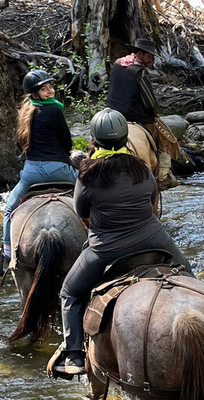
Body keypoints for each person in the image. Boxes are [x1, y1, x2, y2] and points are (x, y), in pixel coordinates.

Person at [48, 108, 190, 378]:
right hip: (153, 237)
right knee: (190, 274)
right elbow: (151, 203)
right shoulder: (142, 168)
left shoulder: (87, 174)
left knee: (69, 293)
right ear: (126, 138)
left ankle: (74, 353)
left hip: (106, 248)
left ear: (94, 140)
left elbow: (82, 214)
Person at [0, 68, 79, 276]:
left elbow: (21, 143)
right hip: (60, 170)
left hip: (31, 172)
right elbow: (66, 140)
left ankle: (7, 254)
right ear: (35, 94)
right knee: (94, 193)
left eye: (50, 87)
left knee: (10, 209)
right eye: (45, 89)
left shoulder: (25, 111)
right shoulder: (54, 110)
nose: (51, 92)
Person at [105, 38, 180, 188]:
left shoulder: (118, 63)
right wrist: (155, 115)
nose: (151, 59)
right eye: (149, 56)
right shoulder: (140, 72)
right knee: (165, 140)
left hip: (112, 114)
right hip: (135, 116)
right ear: (140, 53)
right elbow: (150, 102)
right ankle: (162, 176)